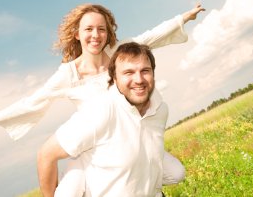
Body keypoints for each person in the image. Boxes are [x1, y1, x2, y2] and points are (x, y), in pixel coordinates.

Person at [0, 3, 205, 195]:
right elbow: (34, 100)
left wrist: (182, 18)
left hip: (129, 139)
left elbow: (149, 38)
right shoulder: (68, 74)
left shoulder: (118, 53)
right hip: (88, 151)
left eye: (101, 29)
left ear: (108, 33)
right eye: (89, 29)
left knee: (174, 173)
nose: (96, 35)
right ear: (77, 34)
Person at [38, 42, 168, 197]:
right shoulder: (101, 110)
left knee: (176, 172)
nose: (139, 79)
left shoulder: (160, 109)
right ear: (114, 78)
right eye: (129, 73)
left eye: (145, 71)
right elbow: (46, 154)